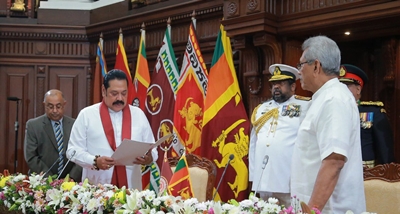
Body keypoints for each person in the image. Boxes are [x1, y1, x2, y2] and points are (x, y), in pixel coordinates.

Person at [291, 35, 366, 213]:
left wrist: (312, 210)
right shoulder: (324, 97)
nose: (299, 71)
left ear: (316, 66)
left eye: (301, 65)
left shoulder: (333, 99)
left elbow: (334, 161)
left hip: (328, 209)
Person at [67, 69, 157, 189]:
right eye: (114, 93)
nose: (119, 98)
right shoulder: (87, 115)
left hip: (132, 193)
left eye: (124, 93)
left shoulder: (138, 115)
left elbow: (152, 150)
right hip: (96, 190)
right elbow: (72, 151)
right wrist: (94, 161)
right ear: (103, 91)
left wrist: (149, 158)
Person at [249, 64, 310, 207]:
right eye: (274, 84)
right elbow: (253, 144)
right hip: (263, 178)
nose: (276, 87)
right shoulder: (261, 109)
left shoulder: (305, 106)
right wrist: (253, 174)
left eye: (281, 83)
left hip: (289, 178)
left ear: (293, 87)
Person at [339, 64, 395, 168]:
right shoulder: (332, 111)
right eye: (339, 86)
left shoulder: (373, 112)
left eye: (346, 86)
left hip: (366, 174)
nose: (341, 89)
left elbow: (385, 150)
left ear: (358, 89)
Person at [24, 89, 82, 181]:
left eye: (58, 106)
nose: (55, 110)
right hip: (41, 180)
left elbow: (81, 153)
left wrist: (71, 177)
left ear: (64, 104)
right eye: (50, 107)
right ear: (44, 105)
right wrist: (50, 179)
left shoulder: (75, 124)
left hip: (69, 182)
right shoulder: (33, 125)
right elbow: (31, 157)